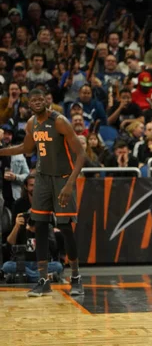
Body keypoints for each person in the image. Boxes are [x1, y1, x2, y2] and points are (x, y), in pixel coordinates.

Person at [0, 88, 86, 297]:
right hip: (42, 179)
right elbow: (26, 148)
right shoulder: (31, 123)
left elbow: (81, 154)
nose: (37, 102)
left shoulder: (60, 121)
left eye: (41, 99)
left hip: (63, 179)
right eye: (33, 99)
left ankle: (75, 277)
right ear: (29, 103)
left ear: (47, 101)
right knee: (39, 226)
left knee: (65, 228)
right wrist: (2, 150)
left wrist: (69, 185)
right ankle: (43, 280)